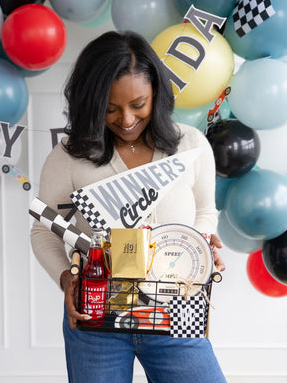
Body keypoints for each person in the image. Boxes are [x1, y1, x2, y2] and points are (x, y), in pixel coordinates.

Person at [31, 30, 226, 383]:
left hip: (176, 308)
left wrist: (201, 245)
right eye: (109, 108)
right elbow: (45, 226)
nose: (125, 119)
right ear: (90, 103)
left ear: (157, 94)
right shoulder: (69, 156)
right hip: (96, 315)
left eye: (138, 104)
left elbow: (205, 212)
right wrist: (65, 278)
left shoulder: (190, 145)